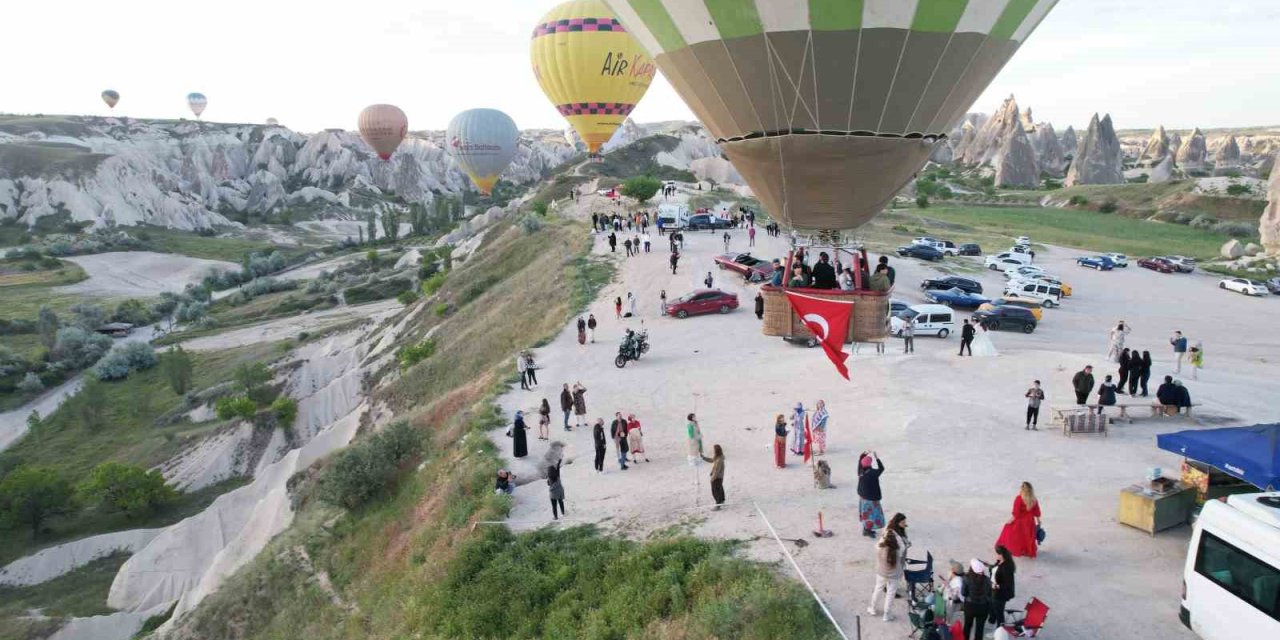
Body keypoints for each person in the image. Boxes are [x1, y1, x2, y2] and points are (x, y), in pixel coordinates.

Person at [867, 513, 908, 622]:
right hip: (895, 573)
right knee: (891, 593)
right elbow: (902, 552)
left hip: (881, 571)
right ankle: (886, 614)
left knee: (878, 589)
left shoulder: (881, 545)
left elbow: (877, 547)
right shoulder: (899, 547)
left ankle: (872, 608)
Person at [995, 481, 1042, 558]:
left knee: (1008, 530)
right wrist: (1039, 521)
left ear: (1022, 490)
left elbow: (1016, 514)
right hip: (1030, 522)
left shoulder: (1019, 499)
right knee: (1026, 536)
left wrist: (1008, 522)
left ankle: (1004, 547)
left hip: (1020, 522)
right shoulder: (1034, 499)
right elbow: (1037, 512)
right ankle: (1025, 550)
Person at [961, 558, 992, 640]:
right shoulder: (987, 580)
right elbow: (990, 595)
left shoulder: (966, 578)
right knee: (980, 629)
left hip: (970, 606)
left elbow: (963, 593)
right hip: (983, 607)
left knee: (967, 626)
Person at [857, 451, 886, 537]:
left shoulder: (861, 472)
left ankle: (866, 529)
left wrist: (863, 455)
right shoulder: (873, 473)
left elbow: (860, 462)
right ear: (870, 464)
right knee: (872, 515)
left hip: (863, 498)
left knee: (866, 515)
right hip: (872, 499)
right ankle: (867, 530)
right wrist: (877, 458)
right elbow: (882, 468)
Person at [990, 545, 1016, 627]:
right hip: (995, 590)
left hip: (1000, 594)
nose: (995, 555)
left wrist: (997, 586)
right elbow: (995, 570)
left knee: (999, 614)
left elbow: (1007, 584)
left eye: (997, 554)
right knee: (994, 609)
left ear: (1001, 555)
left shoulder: (1006, 567)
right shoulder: (999, 562)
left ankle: (999, 631)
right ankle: (994, 624)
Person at [701, 444, 726, 508]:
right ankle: (722, 501)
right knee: (720, 489)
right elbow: (712, 460)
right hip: (719, 477)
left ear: (716, 451)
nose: (713, 451)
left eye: (714, 450)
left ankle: (718, 505)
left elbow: (717, 471)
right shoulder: (718, 457)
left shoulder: (719, 460)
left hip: (717, 477)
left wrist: (712, 478)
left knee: (715, 491)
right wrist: (703, 457)